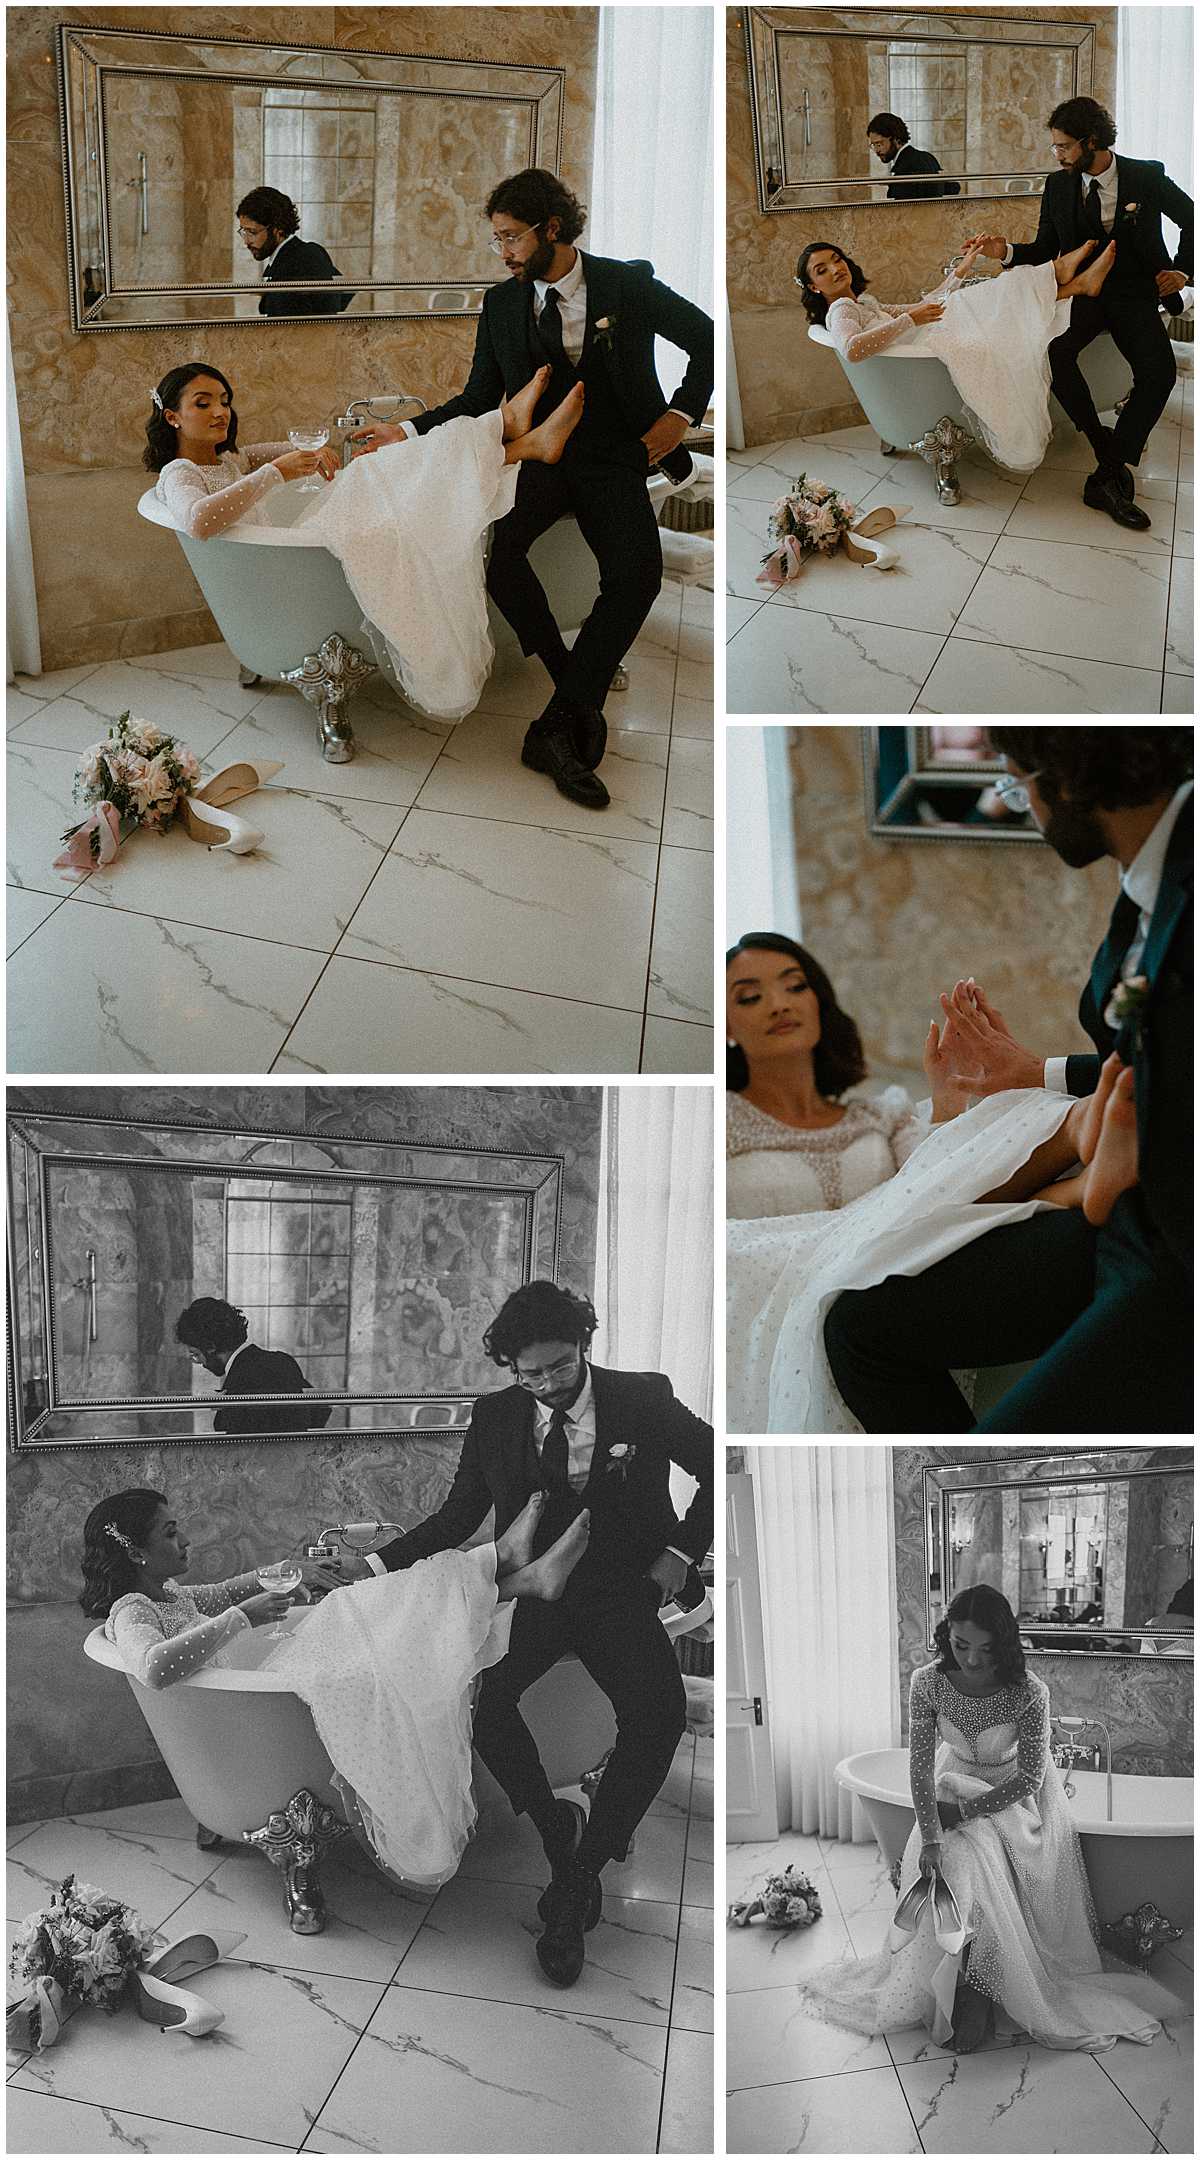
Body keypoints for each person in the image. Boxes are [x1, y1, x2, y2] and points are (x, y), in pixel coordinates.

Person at [338, 1278, 714, 1987]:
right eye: (529, 1372)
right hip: (535, 1590)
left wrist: (680, 1553)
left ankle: (575, 1885)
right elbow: (458, 1518)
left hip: (619, 1589)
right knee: (480, 1699)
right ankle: (554, 1832)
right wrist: (374, 1564)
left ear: (585, 1346)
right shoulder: (493, 1416)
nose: (546, 1384)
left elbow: (717, 1464)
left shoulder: (644, 1397)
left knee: (657, 1715)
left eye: (560, 1367)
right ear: (510, 1367)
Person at [824, 728, 1193, 1435]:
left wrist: (1088, 1186)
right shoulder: (1147, 873)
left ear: (1068, 778)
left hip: (1171, 1249)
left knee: (999, 1463)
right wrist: (1041, 1075)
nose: (1021, 806)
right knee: (861, 1324)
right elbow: (1160, 1052)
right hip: (1123, 1208)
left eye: (1017, 784)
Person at [349, 167, 715, 812]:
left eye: (512, 237)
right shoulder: (502, 303)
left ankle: (555, 725)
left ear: (552, 228)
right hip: (538, 461)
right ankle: (571, 693)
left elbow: (704, 337)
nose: (504, 252)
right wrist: (406, 430)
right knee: (497, 554)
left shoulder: (626, 284)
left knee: (637, 577)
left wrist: (680, 416)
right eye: (496, 240)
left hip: (612, 458)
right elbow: (478, 396)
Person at [81, 1487, 592, 1889]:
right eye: (171, 1533)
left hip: (284, 1670)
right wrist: (243, 1618)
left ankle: (508, 1570)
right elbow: (152, 1669)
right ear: (138, 1553)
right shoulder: (132, 1610)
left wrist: (288, 1572)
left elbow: (223, 1592)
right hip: (286, 1676)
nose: (186, 1541)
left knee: (380, 1611)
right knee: (382, 1620)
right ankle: (505, 1568)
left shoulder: (166, 1593)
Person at [725, 934, 1102, 1432]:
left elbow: (936, 1189)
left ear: (819, 1001)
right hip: (768, 1283)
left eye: (795, 987)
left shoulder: (882, 1115)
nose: (778, 1004)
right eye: (750, 996)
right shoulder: (722, 1122)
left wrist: (947, 1105)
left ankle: (1075, 1150)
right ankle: (1068, 1160)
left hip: (884, 1254)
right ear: (727, 1028)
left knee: (920, 1222)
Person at [798, 1585, 1174, 2052]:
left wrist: (967, 1811)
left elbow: (1032, 1778)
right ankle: (952, 1979)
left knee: (971, 1853)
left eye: (986, 1648)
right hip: (949, 1784)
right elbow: (917, 1767)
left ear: (1004, 1644)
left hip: (1014, 1800)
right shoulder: (928, 1682)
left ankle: (978, 1983)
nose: (972, 1660)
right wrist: (932, 1834)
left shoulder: (1029, 1691)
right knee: (948, 1855)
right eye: (960, 1645)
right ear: (946, 1636)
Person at [144, 359, 586, 722]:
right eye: (203, 404)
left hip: (313, 539)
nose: (220, 412)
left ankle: (514, 436)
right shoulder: (179, 473)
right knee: (395, 475)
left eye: (224, 401)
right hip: (304, 553)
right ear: (172, 417)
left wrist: (311, 452)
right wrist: (275, 472)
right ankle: (511, 433)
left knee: (400, 472)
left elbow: (292, 447)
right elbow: (198, 522)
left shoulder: (232, 457)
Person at [964, 96, 1192, 529]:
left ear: (1091, 141)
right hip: (1082, 294)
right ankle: (1106, 451)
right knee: (1056, 351)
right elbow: (1046, 249)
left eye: (1064, 146)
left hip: (1133, 293)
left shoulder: (1146, 176)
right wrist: (1005, 251)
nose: (1057, 155)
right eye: (1055, 147)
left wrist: (1181, 269)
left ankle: (1104, 476)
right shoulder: (1058, 185)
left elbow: (1191, 216)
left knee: (1159, 372)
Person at [796, 234, 1121, 473]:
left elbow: (927, 304)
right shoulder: (840, 310)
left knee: (995, 301)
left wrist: (962, 271)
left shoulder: (863, 302)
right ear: (813, 287)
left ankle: (1070, 283)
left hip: (926, 337)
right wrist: (911, 320)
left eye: (836, 260)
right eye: (821, 270)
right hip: (928, 342)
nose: (835, 269)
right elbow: (852, 349)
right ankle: (1062, 276)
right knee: (997, 303)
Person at [174, 1296, 332, 1436]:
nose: (199, 1362)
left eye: (195, 1354)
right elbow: (320, 1411)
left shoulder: (240, 1383)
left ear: (210, 1347)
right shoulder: (283, 1361)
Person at [236, 186, 354, 317]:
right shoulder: (304, 253)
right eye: (244, 231)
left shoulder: (302, 259)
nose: (246, 242)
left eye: (252, 232)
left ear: (277, 230)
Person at [866, 112, 960, 200]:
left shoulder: (906, 167)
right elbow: (953, 187)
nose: (877, 151)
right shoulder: (927, 157)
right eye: (873, 145)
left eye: (879, 144)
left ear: (896, 139)